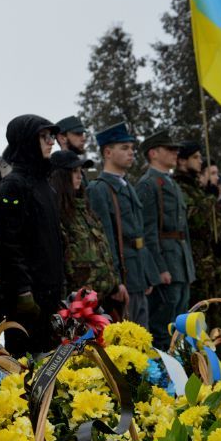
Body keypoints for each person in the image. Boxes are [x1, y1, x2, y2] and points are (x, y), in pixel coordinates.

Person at [0, 115, 65, 356]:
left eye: (51, 136)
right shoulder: (13, 185)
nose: (51, 142)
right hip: (27, 298)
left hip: (50, 293)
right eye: (44, 137)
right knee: (25, 365)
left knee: (50, 361)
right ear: (26, 141)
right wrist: (22, 291)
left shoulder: (45, 185)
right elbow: (8, 243)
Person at [87, 122, 159, 327]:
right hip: (123, 277)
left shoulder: (127, 187)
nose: (131, 153)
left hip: (137, 273)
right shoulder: (100, 189)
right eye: (124, 148)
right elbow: (106, 240)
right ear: (107, 152)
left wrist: (147, 274)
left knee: (142, 336)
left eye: (132, 149)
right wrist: (115, 281)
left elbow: (139, 235)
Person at [135, 131, 195, 346]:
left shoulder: (170, 183)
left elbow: (183, 230)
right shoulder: (148, 185)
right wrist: (159, 268)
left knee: (180, 324)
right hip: (166, 264)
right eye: (169, 149)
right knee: (163, 325)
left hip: (179, 262)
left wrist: (188, 264)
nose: (175, 153)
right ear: (153, 153)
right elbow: (147, 231)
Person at [172, 143, 221, 334]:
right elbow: (195, 222)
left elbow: (214, 226)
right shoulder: (181, 187)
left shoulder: (198, 188)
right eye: (196, 157)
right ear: (182, 160)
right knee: (200, 320)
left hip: (211, 265)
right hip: (197, 265)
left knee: (219, 319)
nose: (200, 161)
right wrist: (210, 200)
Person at [48, 150, 124, 307]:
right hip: (76, 304)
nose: (79, 176)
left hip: (103, 299)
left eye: (80, 171)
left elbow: (104, 251)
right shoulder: (56, 214)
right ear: (60, 177)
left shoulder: (84, 208)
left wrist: (116, 284)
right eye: (73, 171)